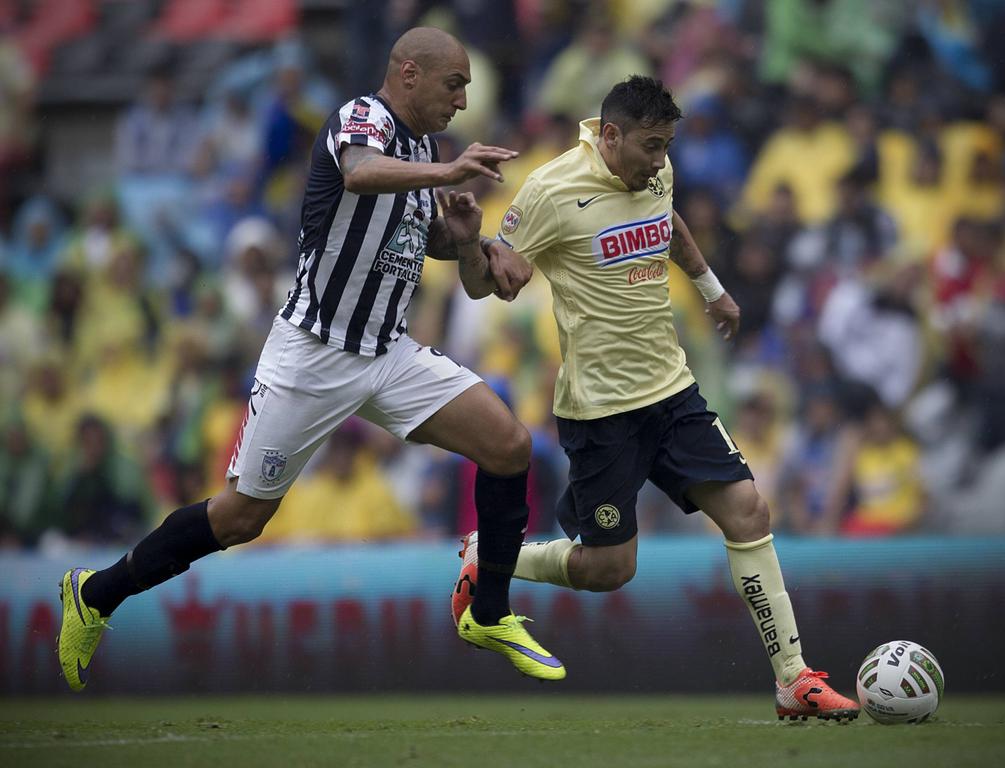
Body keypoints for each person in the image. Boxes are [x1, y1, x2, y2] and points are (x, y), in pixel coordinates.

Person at [57, 26, 564, 693]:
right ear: (408, 73)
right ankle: (95, 594)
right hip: (314, 355)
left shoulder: (421, 150)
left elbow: (460, 272)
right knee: (240, 518)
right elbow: (360, 173)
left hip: (386, 352)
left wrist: (471, 243)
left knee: (507, 445)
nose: (463, 101)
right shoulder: (364, 119)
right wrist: (446, 172)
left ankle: (488, 612)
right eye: (454, 84)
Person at [452, 75, 859, 720]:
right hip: (600, 414)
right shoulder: (551, 191)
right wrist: (474, 251)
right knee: (610, 569)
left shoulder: (652, 172)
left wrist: (711, 288)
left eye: (668, 146)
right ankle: (488, 556)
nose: (661, 160)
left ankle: (793, 678)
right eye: (650, 146)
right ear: (610, 135)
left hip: (673, 393)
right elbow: (490, 284)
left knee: (749, 511)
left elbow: (668, 224)